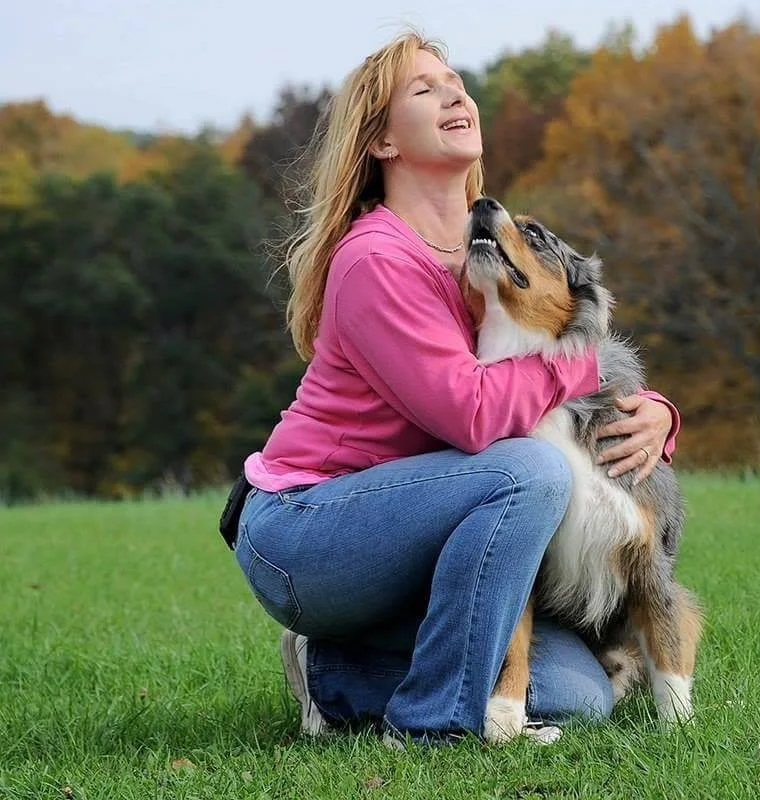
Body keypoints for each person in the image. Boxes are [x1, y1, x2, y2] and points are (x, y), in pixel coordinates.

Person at [234, 31, 681, 748]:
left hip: (427, 529)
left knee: (576, 693)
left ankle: (335, 673)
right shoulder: (378, 259)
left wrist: (653, 410)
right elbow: (477, 417)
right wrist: (589, 364)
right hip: (311, 533)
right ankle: (429, 724)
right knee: (526, 471)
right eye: (425, 88)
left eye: (457, 81)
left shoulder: (482, 257)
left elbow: (550, 366)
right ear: (381, 140)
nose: (455, 94)